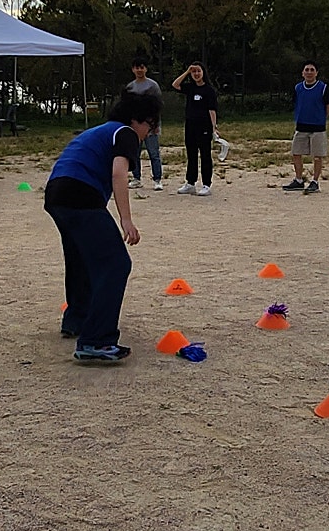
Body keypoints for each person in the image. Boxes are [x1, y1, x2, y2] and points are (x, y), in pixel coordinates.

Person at [46, 89, 161, 363]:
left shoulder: (102, 130)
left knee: (81, 259)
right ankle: (96, 340)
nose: (151, 132)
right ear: (137, 120)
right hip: (80, 195)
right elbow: (119, 173)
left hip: (56, 192)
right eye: (150, 125)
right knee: (116, 264)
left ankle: (77, 319)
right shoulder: (126, 133)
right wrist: (126, 219)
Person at [170, 62, 218, 195]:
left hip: (204, 126)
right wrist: (186, 72)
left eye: (198, 71)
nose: (196, 74)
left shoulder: (209, 90)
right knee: (191, 154)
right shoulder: (190, 88)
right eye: (194, 72)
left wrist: (214, 127)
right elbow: (175, 85)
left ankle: (206, 184)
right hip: (190, 125)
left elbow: (212, 110)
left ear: (203, 72)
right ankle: (190, 182)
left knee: (205, 155)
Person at [283, 62, 329, 194]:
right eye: (307, 70)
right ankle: (298, 180)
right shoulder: (298, 88)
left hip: (318, 128)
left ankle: (315, 181)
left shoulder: (323, 88)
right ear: (302, 73)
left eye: (312, 70)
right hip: (301, 126)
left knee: (317, 155)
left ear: (316, 73)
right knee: (296, 153)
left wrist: (320, 118)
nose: (309, 72)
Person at [124, 58, 165, 190]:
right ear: (133, 69)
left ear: (146, 69)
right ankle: (136, 178)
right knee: (135, 153)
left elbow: (158, 106)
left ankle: (157, 179)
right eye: (137, 68)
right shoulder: (130, 87)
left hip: (150, 125)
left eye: (142, 67)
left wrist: (155, 125)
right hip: (135, 125)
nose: (139, 70)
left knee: (153, 153)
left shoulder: (152, 85)